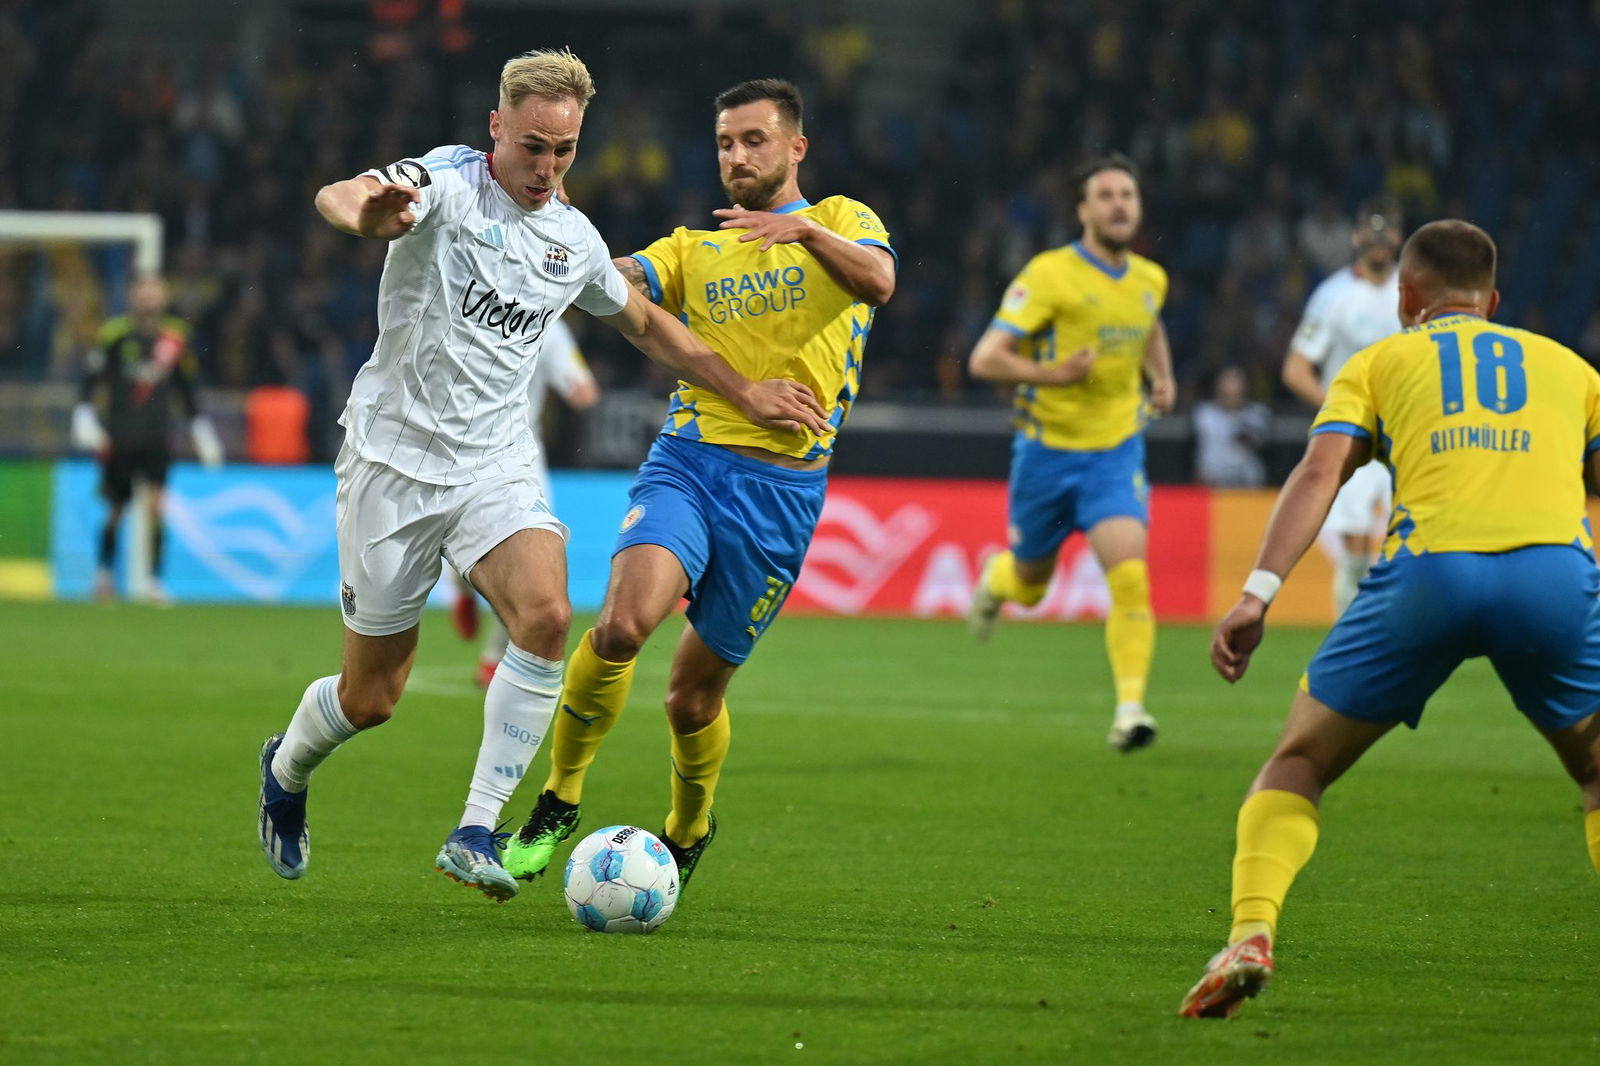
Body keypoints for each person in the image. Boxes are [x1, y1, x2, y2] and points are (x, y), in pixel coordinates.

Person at [255, 51, 828, 902]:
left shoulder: (573, 238)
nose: (547, 167)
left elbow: (646, 323)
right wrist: (364, 213)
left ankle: (476, 828)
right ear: (496, 129)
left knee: (550, 614)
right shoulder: (444, 182)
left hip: (493, 465)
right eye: (532, 146)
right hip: (390, 464)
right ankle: (286, 768)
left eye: (564, 150)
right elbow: (342, 195)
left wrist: (744, 390)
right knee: (373, 697)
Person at [1181, 221, 1600, 1019]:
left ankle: (1250, 933)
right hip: (1552, 575)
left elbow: (1321, 471)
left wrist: (1258, 592)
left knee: (1298, 761)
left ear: (1406, 298)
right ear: (1495, 301)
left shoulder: (1381, 360)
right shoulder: (1573, 369)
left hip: (1430, 574)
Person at [501, 78, 895, 892]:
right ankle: (557, 797)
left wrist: (803, 232)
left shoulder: (846, 222)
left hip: (783, 494)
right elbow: (607, 284)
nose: (737, 156)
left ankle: (688, 824)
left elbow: (878, 285)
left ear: (796, 148)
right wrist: (555, 230)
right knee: (619, 625)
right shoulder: (692, 246)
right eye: (725, 143)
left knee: (690, 700)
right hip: (689, 461)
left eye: (754, 140)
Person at [964, 153, 1175, 752]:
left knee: (1130, 579)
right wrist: (1054, 374)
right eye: (1105, 195)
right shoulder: (1050, 274)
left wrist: (1162, 378)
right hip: (1047, 455)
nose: (1118, 205)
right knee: (1031, 586)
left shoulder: (1150, 279)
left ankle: (1130, 708)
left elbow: (1149, 325)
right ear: (1083, 210)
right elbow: (986, 358)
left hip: (1114, 455)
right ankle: (997, 579)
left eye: (1127, 195)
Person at [451, 315, 600, 688]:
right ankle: (462, 588)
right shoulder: (548, 323)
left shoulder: (469, 307)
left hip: (502, 460)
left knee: (530, 567)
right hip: (496, 455)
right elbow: (584, 393)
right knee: (464, 544)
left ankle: (491, 659)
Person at [1281, 199, 1404, 616]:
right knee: (1355, 541)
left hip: (1406, 433)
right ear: (1356, 238)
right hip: (1353, 435)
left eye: (1386, 234)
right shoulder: (1333, 295)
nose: (1379, 243)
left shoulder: (1414, 292)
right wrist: (1341, 407)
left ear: (1399, 238)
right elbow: (1296, 369)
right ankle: (1349, 634)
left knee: (1408, 538)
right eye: (1371, 234)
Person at [71, 273, 224, 605]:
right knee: (115, 510)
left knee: (157, 507)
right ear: (132, 295)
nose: (149, 297)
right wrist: (83, 415)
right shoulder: (115, 334)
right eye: (143, 290)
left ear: (164, 296)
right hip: (120, 435)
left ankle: (154, 581)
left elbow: (185, 387)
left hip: (157, 435)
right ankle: (104, 576)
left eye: (155, 290)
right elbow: (92, 378)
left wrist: (200, 429)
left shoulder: (175, 337)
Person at [1192, 366, 1272, 488]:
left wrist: (1237, 416)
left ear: (1246, 387)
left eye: (1236, 382)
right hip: (1209, 483)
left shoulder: (1257, 413)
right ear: (1217, 386)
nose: (1231, 389)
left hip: (1248, 486)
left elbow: (1250, 440)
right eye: (1227, 382)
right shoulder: (1203, 413)